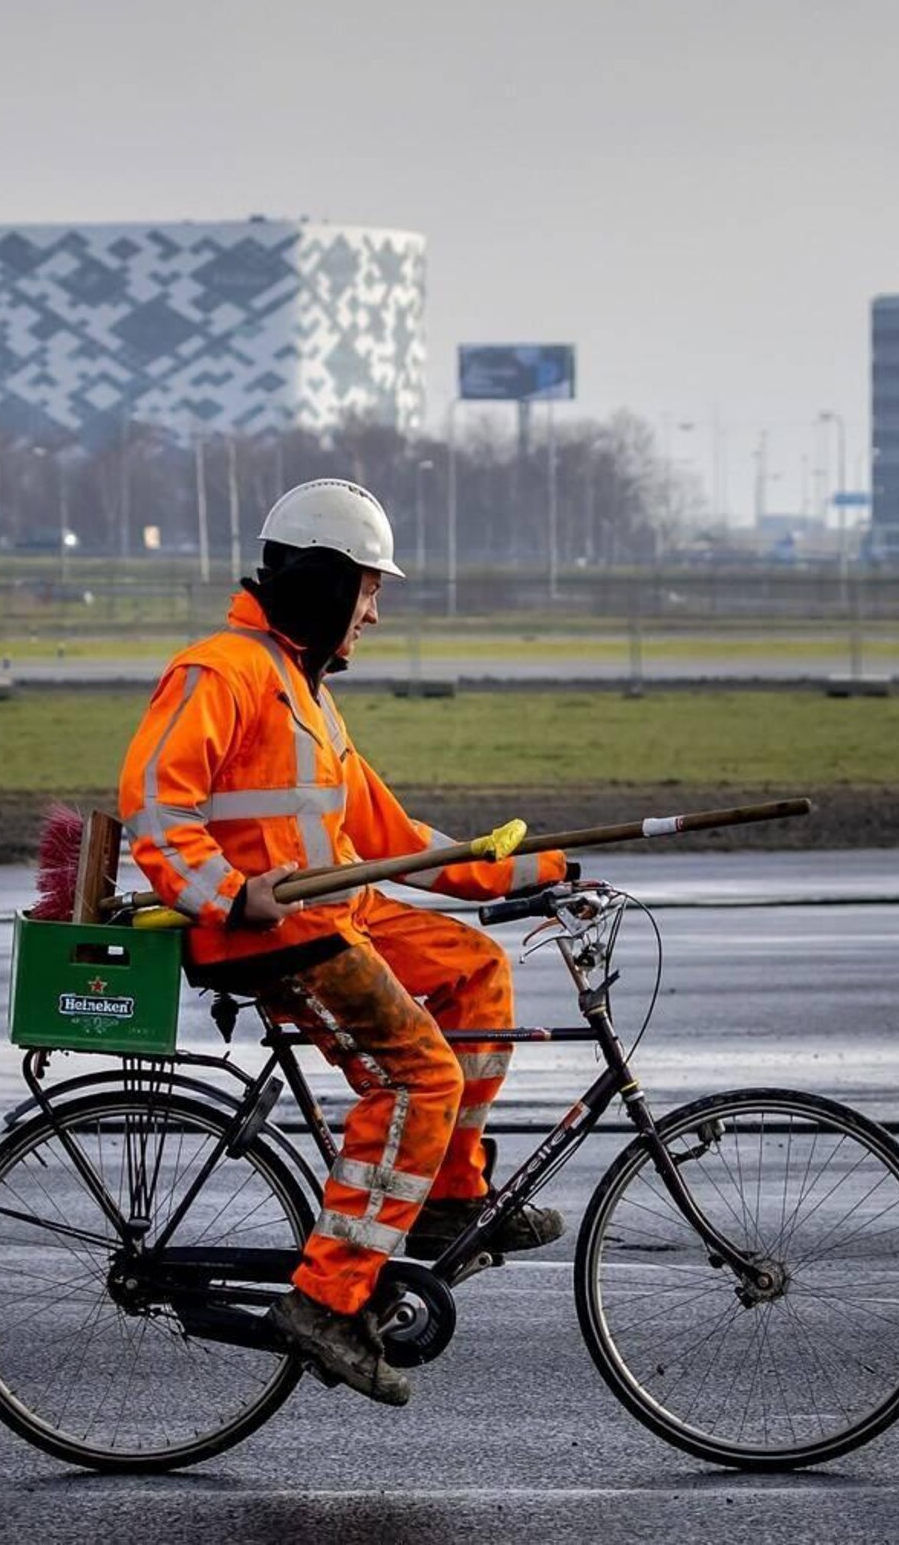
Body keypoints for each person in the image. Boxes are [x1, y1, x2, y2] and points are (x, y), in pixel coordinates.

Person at [118, 476, 571, 1406]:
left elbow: (397, 847)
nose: (373, 613)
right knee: (420, 1076)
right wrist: (233, 897)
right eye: (367, 589)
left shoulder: (305, 694)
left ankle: (450, 1204)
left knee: (477, 971)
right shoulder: (222, 670)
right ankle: (326, 1302)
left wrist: (545, 875)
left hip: (333, 922)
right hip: (271, 941)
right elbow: (157, 814)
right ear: (323, 583)